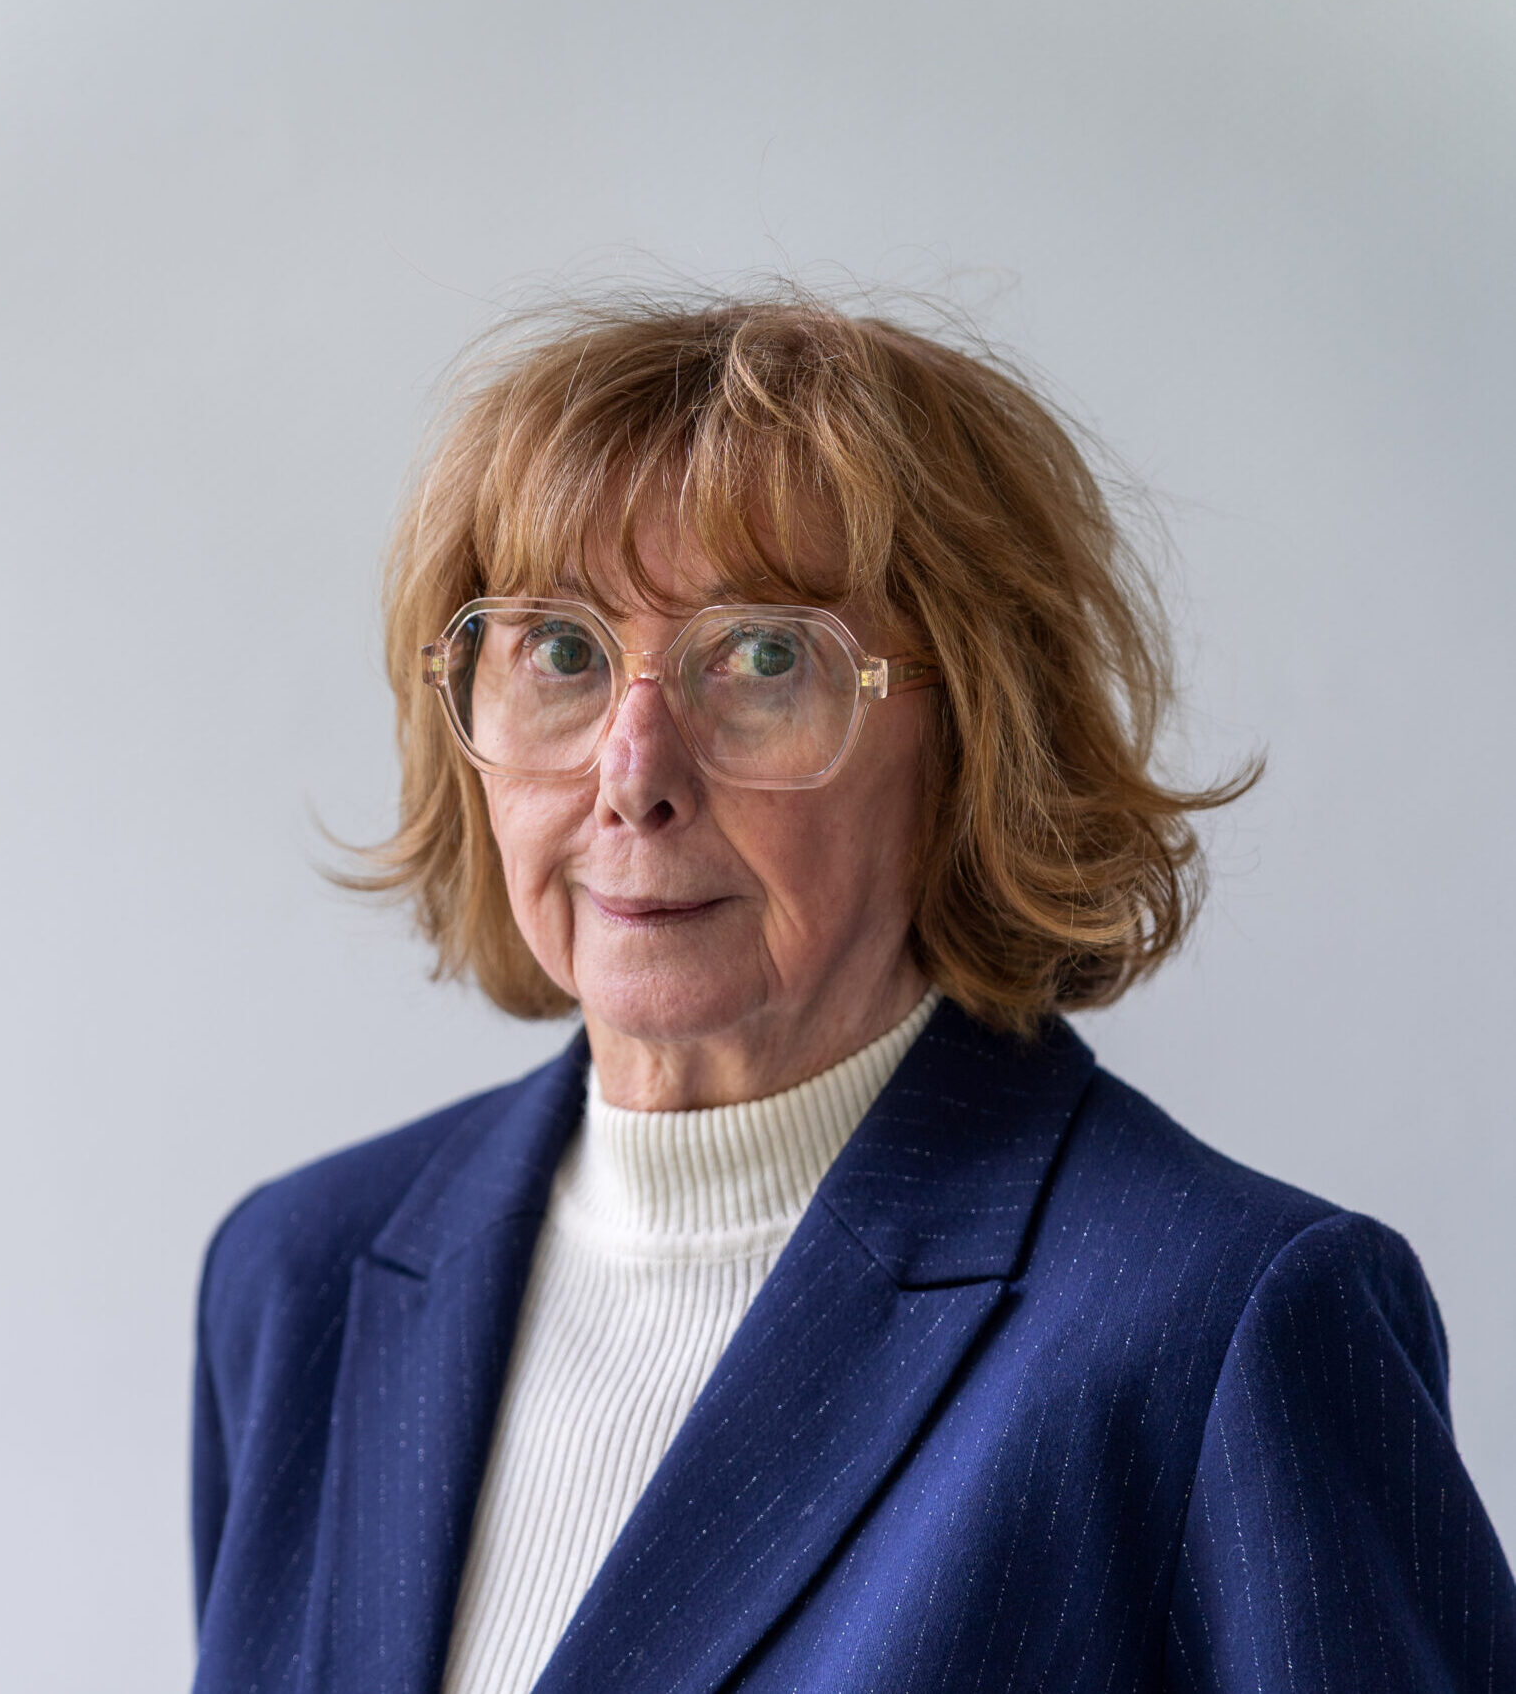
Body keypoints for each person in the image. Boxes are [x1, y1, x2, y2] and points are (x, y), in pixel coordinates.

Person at [188, 293, 1515, 1694]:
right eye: (561, 653)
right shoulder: (299, 1279)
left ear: (975, 735)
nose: (633, 773)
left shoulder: (1223, 1332)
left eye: (765, 657)